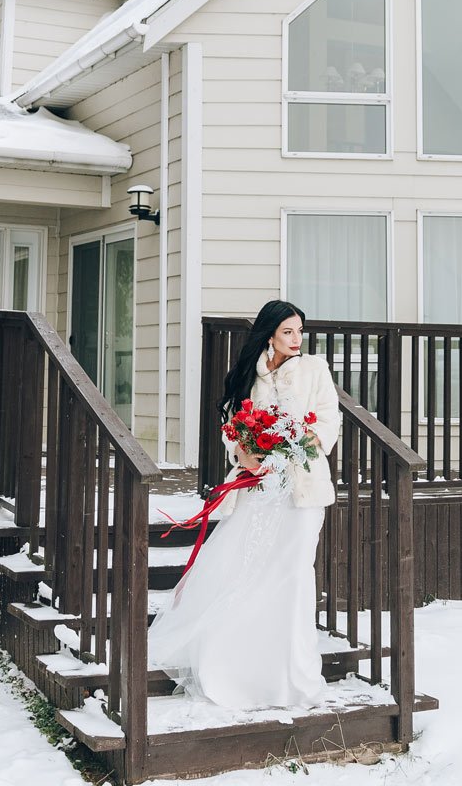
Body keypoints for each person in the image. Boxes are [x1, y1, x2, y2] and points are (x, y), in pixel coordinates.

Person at [147, 299, 341, 710]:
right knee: (246, 572)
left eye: (299, 331)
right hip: (257, 489)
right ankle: (241, 673)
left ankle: (294, 679)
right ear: (269, 335)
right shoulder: (247, 378)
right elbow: (232, 429)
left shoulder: (314, 370)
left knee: (293, 575)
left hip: (302, 492)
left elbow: (328, 419)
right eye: (288, 331)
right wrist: (243, 452)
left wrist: (301, 442)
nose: (296, 339)